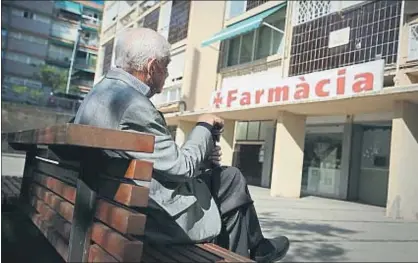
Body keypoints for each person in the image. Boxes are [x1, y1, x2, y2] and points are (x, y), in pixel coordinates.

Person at [73, 28, 289, 262]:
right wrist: (204, 127)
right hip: (149, 218)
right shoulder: (133, 105)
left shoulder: (100, 93)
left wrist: (201, 158)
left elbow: (155, 160)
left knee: (227, 180)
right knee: (232, 180)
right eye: (166, 67)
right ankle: (253, 251)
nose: (167, 75)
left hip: (112, 206)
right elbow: (182, 168)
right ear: (152, 67)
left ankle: (256, 249)